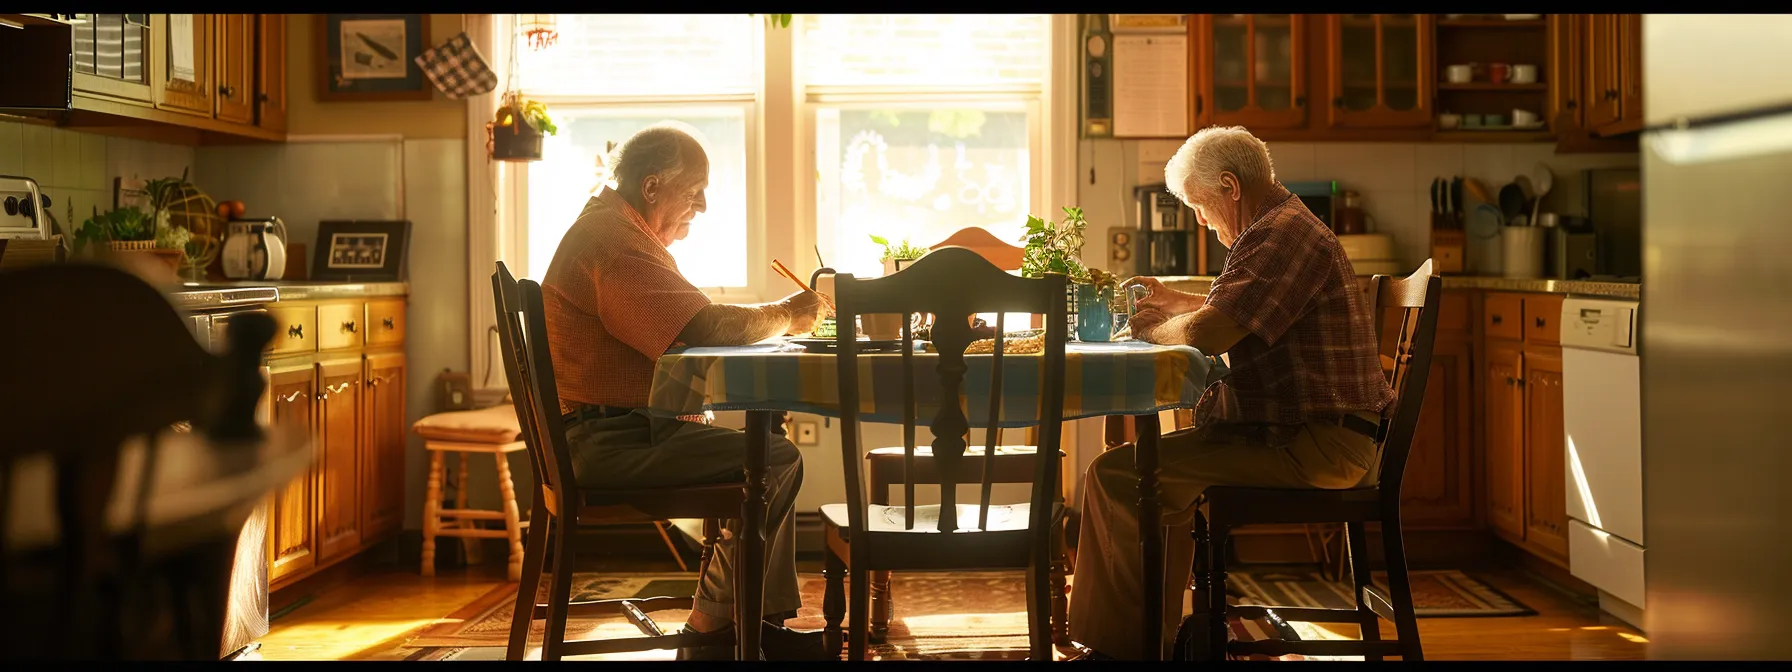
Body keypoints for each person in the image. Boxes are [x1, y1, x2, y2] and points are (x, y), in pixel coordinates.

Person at [1068, 126, 1395, 661]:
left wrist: (1153, 328)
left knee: (1118, 476)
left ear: (1229, 187)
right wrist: (1177, 301)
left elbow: (1209, 332)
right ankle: (1150, 639)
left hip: (1321, 447)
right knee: (1143, 473)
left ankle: (1120, 652)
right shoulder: (1281, 226)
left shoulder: (1280, 235)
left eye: (1199, 204)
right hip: (1317, 435)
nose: (1200, 218)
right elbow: (1236, 310)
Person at [539, 121, 828, 660]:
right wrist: (789, 314)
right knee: (775, 457)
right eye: (694, 192)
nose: (701, 206)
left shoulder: (613, 230)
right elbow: (701, 326)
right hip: (609, 442)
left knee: (768, 452)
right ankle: (711, 628)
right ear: (652, 187)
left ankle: (744, 621)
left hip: (614, 431)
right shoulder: (610, 241)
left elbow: (689, 323)